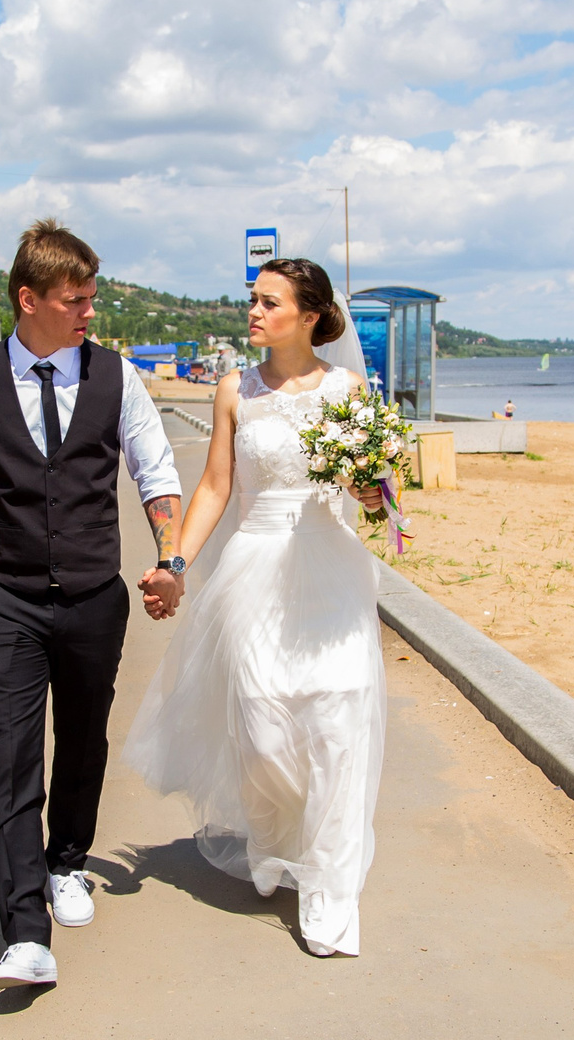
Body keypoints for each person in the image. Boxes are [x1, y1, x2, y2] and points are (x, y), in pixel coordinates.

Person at [0, 221, 184, 991]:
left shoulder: (118, 378)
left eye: (92, 296)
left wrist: (171, 559)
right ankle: (24, 931)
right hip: (7, 602)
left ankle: (67, 862)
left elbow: (156, 474)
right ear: (29, 300)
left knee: (83, 742)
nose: (90, 310)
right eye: (75, 299)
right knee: (12, 757)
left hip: (94, 598)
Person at [123, 258, 388, 958]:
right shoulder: (236, 389)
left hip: (330, 570)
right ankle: (275, 834)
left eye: (270, 302)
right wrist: (175, 559)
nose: (254, 312)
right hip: (256, 570)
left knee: (337, 719)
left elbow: (381, 487)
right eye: (253, 300)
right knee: (264, 729)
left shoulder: (349, 390)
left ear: (309, 316)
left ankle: (329, 891)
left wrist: (373, 493)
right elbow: (214, 485)